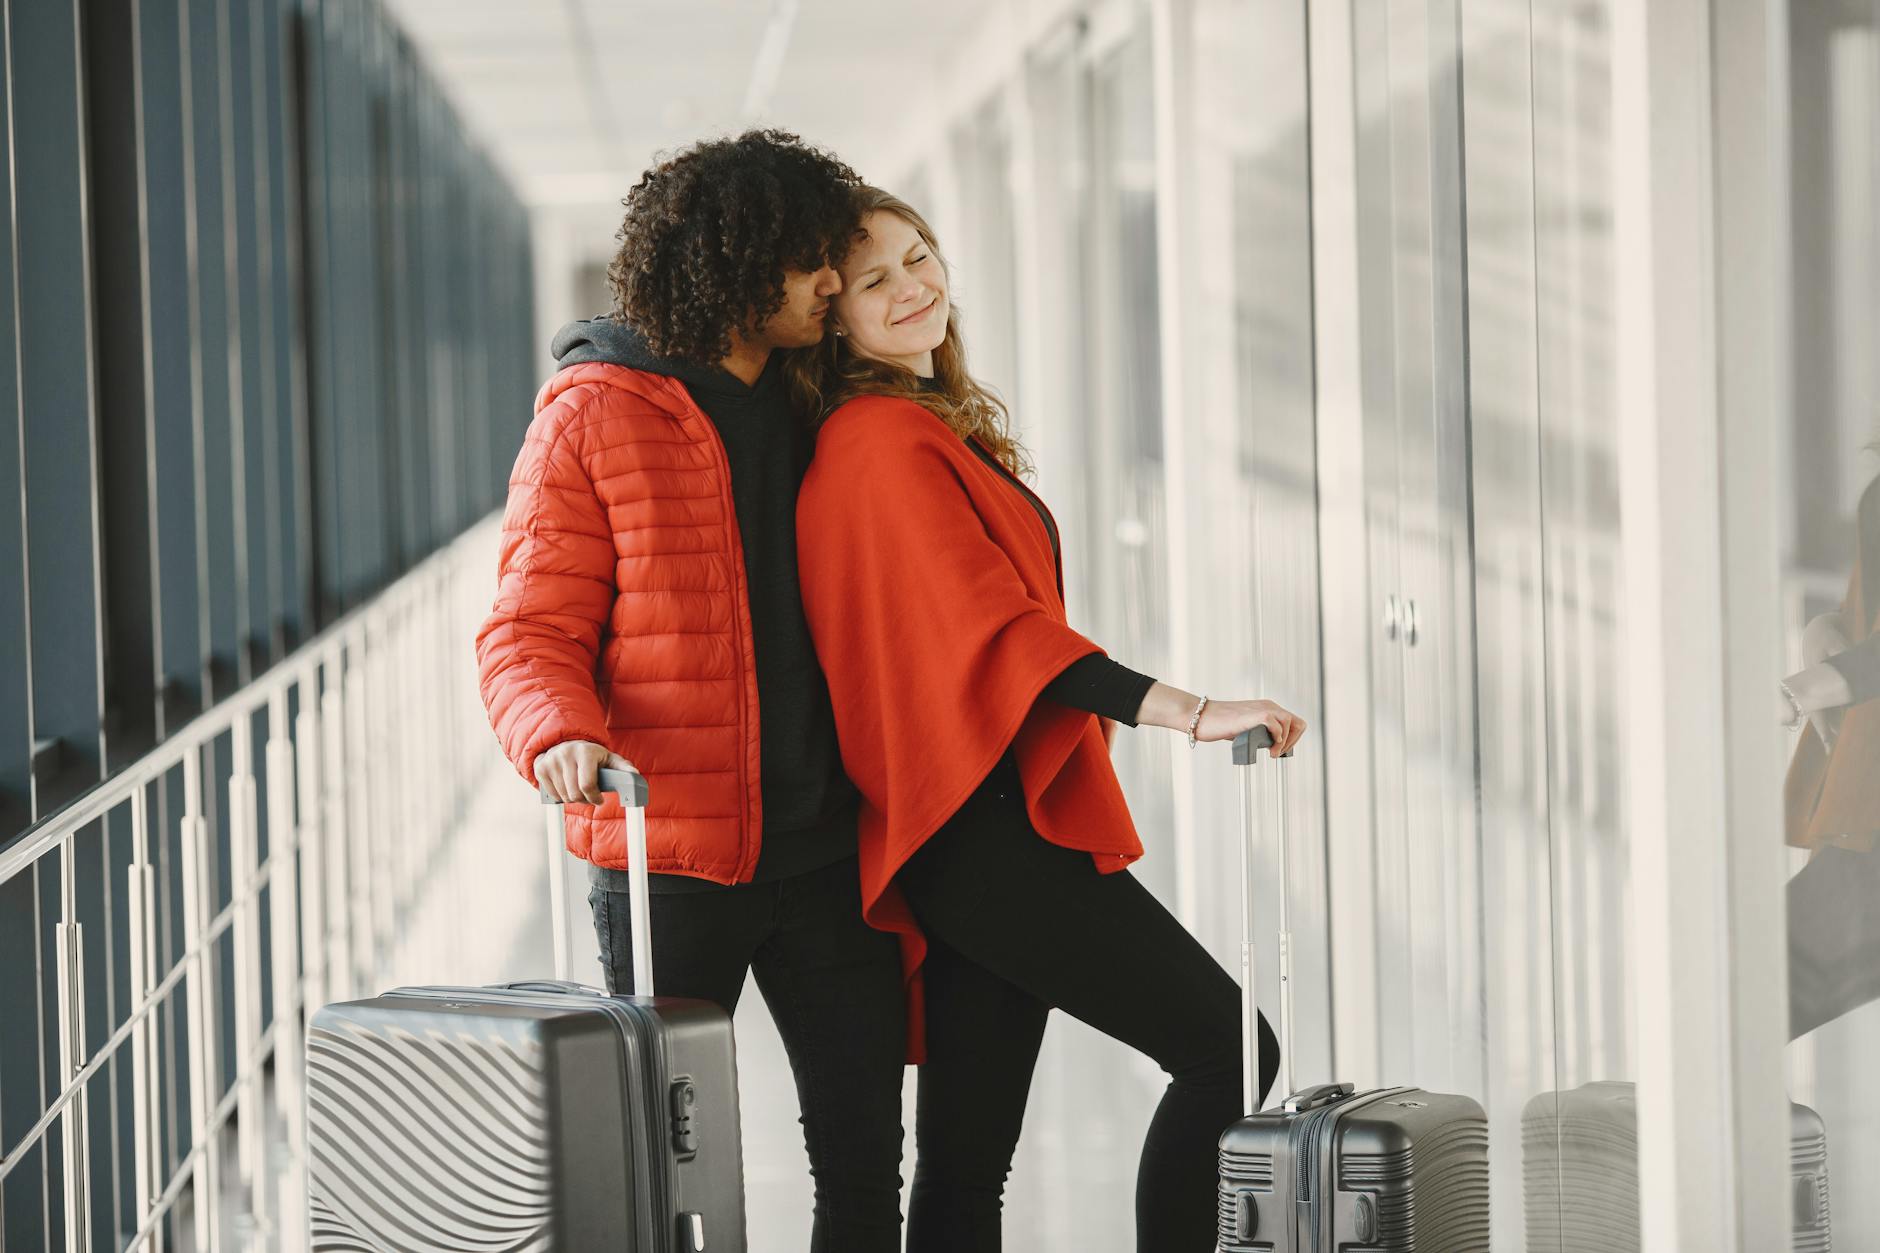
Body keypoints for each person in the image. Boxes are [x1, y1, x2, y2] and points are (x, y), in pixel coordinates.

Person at [787, 187, 1308, 1252]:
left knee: (967, 1165)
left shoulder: (908, 428)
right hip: (982, 831)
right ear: (832, 316)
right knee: (1228, 1050)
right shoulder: (879, 440)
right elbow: (995, 628)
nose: (912, 285)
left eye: (919, 254)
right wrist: (1189, 710)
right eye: (875, 277)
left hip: (962, 821)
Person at [475, 132, 907, 1252]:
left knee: (864, 1161)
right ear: (735, 261)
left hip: (831, 855)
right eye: (810, 261)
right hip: (666, 858)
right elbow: (527, 628)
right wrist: (555, 732)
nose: (830, 284)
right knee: (668, 1173)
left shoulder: (828, 401)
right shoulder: (591, 412)